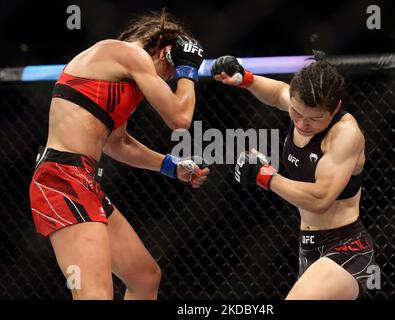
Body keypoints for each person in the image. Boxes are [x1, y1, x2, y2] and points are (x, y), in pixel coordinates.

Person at [29, 9, 210, 300]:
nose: (167, 81)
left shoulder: (119, 80)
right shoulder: (126, 53)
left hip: (82, 180)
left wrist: (168, 165)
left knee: (144, 277)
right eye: (171, 73)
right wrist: (188, 71)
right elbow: (180, 118)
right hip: (61, 179)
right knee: (95, 294)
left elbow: (117, 143)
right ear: (166, 52)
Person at [211, 52, 377, 299]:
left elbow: (320, 199)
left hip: (345, 248)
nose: (302, 123)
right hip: (307, 246)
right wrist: (245, 79)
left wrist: (265, 175)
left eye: (314, 119)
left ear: (335, 109)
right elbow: (278, 92)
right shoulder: (298, 106)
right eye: (296, 113)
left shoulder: (345, 134)